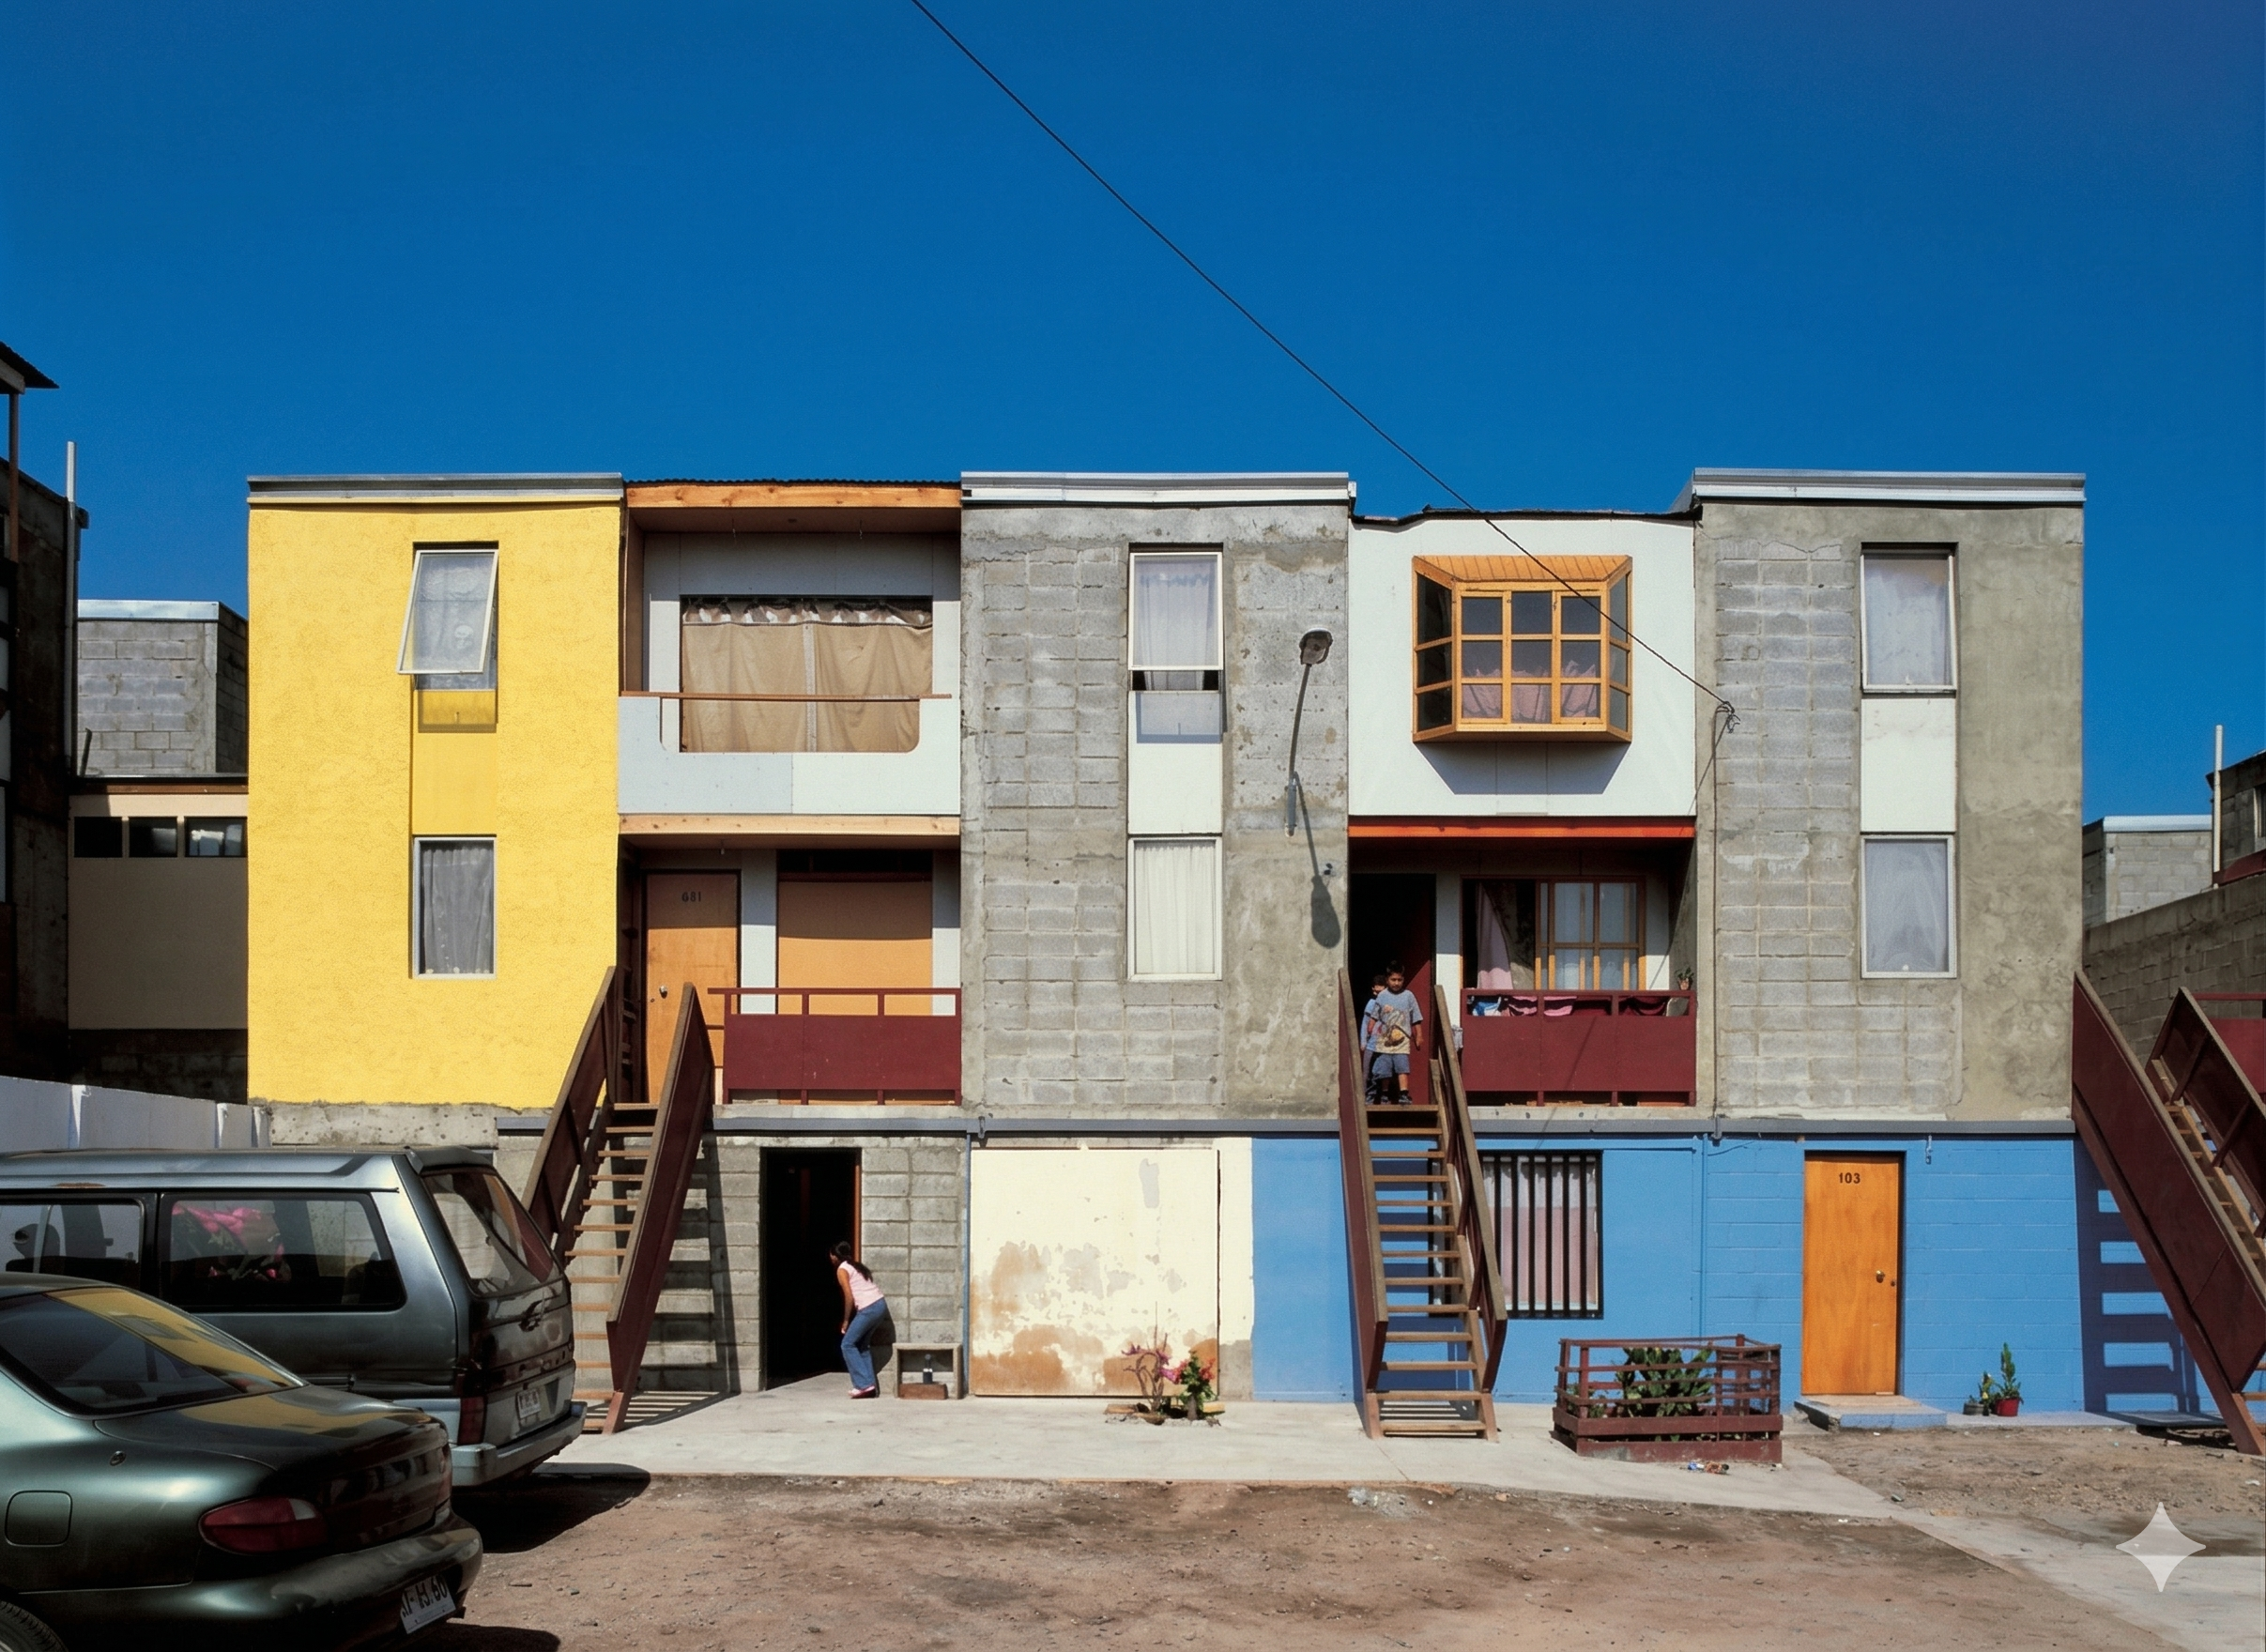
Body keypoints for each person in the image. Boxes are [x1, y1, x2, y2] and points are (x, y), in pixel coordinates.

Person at [1362, 965, 1424, 1105]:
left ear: (1403, 980)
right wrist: (1370, 1029)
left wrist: (1418, 1035)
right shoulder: (1383, 996)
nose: (1396, 983)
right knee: (1384, 1069)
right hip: (1384, 1039)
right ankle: (1384, 1093)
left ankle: (1403, 1093)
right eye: (1393, 980)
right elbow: (1375, 1015)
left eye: (1399, 980)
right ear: (1387, 980)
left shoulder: (1408, 996)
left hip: (1402, 1039)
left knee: (1402, 1067)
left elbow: (1416, 1018)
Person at [833, 1241, 886, 1399]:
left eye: (831, 1255)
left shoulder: (842, 1269)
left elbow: (849, 1297)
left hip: (869, 1308)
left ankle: (863, 1385)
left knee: (847, 1344)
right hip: (879, 1305)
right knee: (862, 1346)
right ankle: (870, 1387)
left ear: (835, 1256)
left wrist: (846, 1321)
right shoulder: (855, 1266)